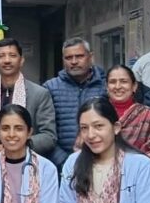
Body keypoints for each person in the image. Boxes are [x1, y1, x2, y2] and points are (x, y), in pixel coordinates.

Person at [77, 65, 150, 168]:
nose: (117, 86)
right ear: (106, 87)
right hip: (98, 171)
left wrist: (131, 167)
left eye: (123, 81)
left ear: (134, 86)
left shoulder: (149, 116)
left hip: (138, 173)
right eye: (112, 82)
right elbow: (81, 147)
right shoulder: (94, 113)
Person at [0, 38, 57, 159]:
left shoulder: (39, 94)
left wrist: (19, 145)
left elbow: (49, 136)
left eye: (12, 55)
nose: (7, 60)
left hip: (28, 160)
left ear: (21, 60)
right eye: (1, 56)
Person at [44, 37, 106, 168]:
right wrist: (65, 161)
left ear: (91, 57)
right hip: (61, 164)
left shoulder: (105, 86)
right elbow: (45, 131)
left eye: (79, 56)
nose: (74, 62)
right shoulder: (50, 88)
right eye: (68, 58)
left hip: (102, 161)